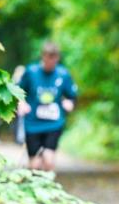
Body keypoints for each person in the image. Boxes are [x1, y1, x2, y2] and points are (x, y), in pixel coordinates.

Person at [16, 42, 77, 173]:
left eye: (54, 59)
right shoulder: (31, 72)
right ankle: (35, 189)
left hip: (54, 123)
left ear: (58, 58)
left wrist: (69, 103)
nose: (51, 62)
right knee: (34, 164)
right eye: (49, 58)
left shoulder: (63, 74)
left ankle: (48, 188)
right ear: (43, 57)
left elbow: (71, 95)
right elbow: (18, 91)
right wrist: (22, 103)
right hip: (32, 123)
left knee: (49, 161)